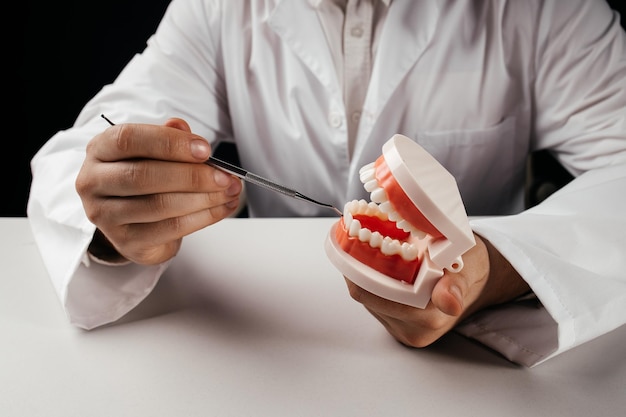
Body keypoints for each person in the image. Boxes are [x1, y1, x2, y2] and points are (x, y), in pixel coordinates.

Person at [28, 0, 626, 368]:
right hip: (272, 348)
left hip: (473, 365)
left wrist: (497, 269)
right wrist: (118, 210)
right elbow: (90, 146)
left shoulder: (548, 10)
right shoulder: (216, 8)